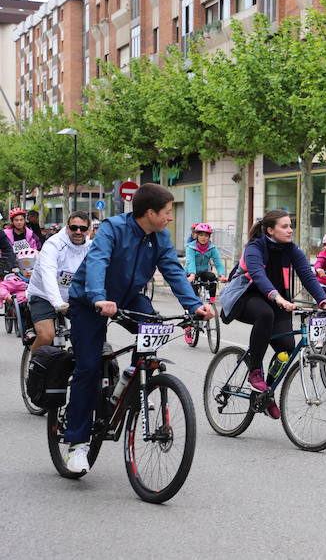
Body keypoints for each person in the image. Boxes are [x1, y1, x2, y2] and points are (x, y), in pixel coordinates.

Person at [63, 184, 215, 475]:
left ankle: (135, 381)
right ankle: (77, 443)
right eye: (168, 212)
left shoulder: (160, 237)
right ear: (150, 213)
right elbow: (98, 260)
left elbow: (172, 270)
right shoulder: (112, 229)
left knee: (152, 326)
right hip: (90, 300)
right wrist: (97, 296)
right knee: (89, 366)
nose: (170, 218)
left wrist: (194, 305)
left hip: (128, 296)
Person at [219, 210, 326, 419]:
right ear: (270, 230)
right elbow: (257, 274)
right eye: (284, 226)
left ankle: (266, 394)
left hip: (280, 301)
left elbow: (307, 276)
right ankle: (255, 372)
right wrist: (276, 297)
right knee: (265, 314)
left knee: (286, 350)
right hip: (247, 296)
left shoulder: (291, 249)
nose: (290, 229)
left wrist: (324, 301)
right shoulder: (255, 247)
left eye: (290, 225)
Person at [26, 211, 92, 352]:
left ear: (89, 230)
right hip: (43, 295)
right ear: (67, 227)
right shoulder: (53, 245)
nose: (78, 232)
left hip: (72, 297)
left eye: (83, 229)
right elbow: (48, 275)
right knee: (47, 335)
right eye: (74, 227)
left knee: (89, 334)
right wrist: (58, 303)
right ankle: (34, 369)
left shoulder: (91, 247)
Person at [184, 223, 226, 299]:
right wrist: (192, 275)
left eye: (206, 236)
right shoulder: (190, 247)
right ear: (197, 236)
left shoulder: (212, 247)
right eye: (201, 235)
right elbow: (191, 261)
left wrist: (222, 274)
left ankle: (212, 299)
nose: (203, 238)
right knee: (193, 289)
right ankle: (194, 304)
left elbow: (218, 262)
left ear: (209, 237)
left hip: (203, 271)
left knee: (212, 277)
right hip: (191, 272)